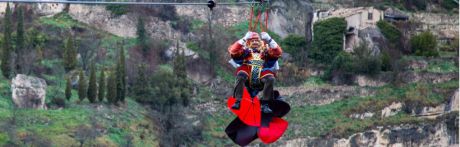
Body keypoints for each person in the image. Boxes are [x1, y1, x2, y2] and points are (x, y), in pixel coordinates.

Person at [227, 31, 282, 113]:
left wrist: (269, 39)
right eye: (252, 40)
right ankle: (238, 101)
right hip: (248, 76)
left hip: (261, 76)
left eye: (257, 40)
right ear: (249, 42)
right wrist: (244, 38)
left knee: (270, 78)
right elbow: (233, 51)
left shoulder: (265, 51)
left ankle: (265, 104)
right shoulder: (244, 52)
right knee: (241, 74)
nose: (255, 42)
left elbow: (278, 52)